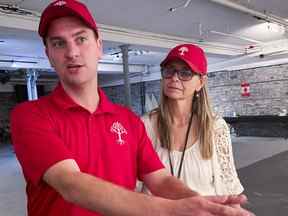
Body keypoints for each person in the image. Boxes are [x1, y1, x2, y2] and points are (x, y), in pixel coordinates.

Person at [10, 0, 253, 216]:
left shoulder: (128, 120)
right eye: (58, 43)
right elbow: (70, 184)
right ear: (49, 55)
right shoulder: (30, 116)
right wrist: (172, 210)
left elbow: (159, 179)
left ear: (99, 46)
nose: (72, 52)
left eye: (81, 39)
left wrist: (203, 205)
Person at [140, 43, 244, 196]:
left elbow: (229, 186)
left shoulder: (215, 127)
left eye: (186, 73)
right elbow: (134, 186)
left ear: (201, 82)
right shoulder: (144, 125)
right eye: (169, 71)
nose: (174, 78)